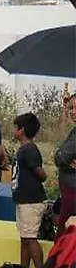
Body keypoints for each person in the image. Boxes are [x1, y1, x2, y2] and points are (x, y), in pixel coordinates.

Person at [12, 113, 46, 268]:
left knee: (31, 238)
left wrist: (42, 174)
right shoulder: (23, 149)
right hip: (23, 200)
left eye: (15, 127)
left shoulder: (29, 150)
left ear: (22, 130)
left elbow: (41, 174)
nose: (13, 130)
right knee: (24, 238)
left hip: (31, 201)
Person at [54, 95, 76, 229]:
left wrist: (60, 154)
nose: (73, 112)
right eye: (71, 108)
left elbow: (61, 158)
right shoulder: (73, 131)